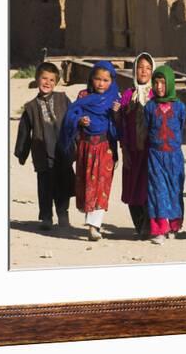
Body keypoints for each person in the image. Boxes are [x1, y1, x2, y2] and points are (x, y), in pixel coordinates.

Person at [59, 61, 120, 241]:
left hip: (105, 147)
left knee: (102, 186)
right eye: (97, 79)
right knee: (87, 184)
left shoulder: (115, 99)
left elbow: (119, 127)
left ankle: (94, 226)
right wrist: (80, 120)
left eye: (105, 80)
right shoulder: (83, 95)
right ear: (91, 79)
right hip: (86, 147)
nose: (101, 84)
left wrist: (117, 113)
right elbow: (72, 115)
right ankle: (90, 221)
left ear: (112, 81)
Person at [14, 62, 75, 230]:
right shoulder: (31, 107)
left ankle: (63, 214)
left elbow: (73, 120)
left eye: (51, 80)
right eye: (44, 78)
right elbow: (24, 132)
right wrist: (22, 153)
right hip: (43, 152)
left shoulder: (63, 99)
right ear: (37, 79)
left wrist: (78, 139)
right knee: (45, 187)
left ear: (56, 82)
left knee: (64, 185)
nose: (47, 83)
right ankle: (46, 217)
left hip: (63, 151)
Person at [144, 65, 186, 245]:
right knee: (157, 191)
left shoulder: (180, 107)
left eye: (163, 82)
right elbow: (146, 128)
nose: (159, 86)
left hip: (175, 156)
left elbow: (181, 126)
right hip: (155, 156)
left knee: (174, 191)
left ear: (169, 83)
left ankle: (174, 225)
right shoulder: (149, 107)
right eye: (156, 82)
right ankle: (159, 229)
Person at [118, 52, 155, 238]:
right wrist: (123, 148)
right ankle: (139, 224)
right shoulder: (128, 95)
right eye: (140, 67)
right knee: (132, 188)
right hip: (132, 149)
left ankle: (148, 225)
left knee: (147, 188)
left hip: (149, 150)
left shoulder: (155, 94)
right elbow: (122, 123)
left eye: (148, 68)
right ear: (134, 70)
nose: (144, 71)